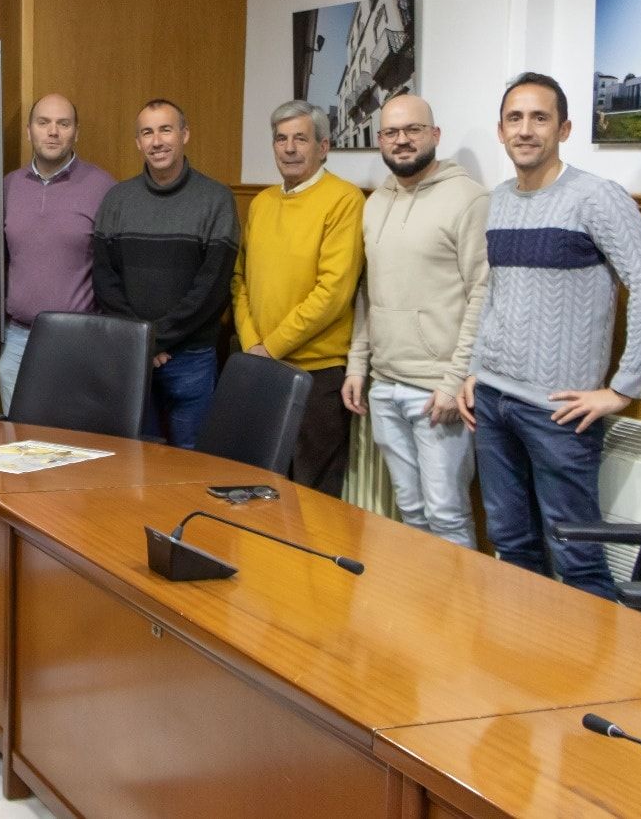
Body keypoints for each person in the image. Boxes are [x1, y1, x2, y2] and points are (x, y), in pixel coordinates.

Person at [458, 72, 641, 599]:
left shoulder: (597, 198)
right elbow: (496, 293)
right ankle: (531, 666)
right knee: (511, 544)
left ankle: (591, 681)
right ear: (501, 130)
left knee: (575, 556)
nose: (526, 129)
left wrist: (622, 388)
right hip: (492, 402)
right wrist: (474, 371)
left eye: (540, 118)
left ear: (565, 128)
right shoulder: (501, 199)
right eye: (516, 118)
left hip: (559, 411)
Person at [341, 94, 488, 547]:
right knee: (409, 508)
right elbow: (369, 291)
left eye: (413, 130)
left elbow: (483, 294)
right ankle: (424, 611)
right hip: (384, 384)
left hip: (436, 390)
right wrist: (357, 365)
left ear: (434, 135)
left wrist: (455, 378)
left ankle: (458, 616)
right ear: (379, 139)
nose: (401, 141)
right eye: (390, 132)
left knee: (446, 513)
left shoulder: (470, 199)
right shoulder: (375, 202)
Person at [232, 100, 364, 495]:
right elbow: (240, 280)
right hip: (261, 367)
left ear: (323, 147)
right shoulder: (261, 202)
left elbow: (333, 292)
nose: (289, 148)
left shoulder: (344, 199)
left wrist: (268, 347)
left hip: (317, 374)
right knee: (259, 488)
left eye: (300, 139)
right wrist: (252, 344)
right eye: (281, 139)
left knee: (312, 494)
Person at [92, 99, 237, 448]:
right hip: (131, 356)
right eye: (147, 132)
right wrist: (143, 340)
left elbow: (213, 287)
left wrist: (156, 339)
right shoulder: (116, 199)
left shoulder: (216, 199)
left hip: (191, 358)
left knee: (192, 463)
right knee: (133, 460)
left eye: (165, 129)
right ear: (138, 143)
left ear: (184, 134)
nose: (157, 141)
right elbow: (104, 279)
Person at [0, 93, 115, 412]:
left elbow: (117, 268)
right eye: (43, 122)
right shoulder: (9, 186)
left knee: (70, 448)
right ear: (29, 131)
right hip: (19, 339)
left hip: (78, 341)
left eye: (63, 124)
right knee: (18, 448)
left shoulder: (102, 186)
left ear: (76, 132)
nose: (53, 131)